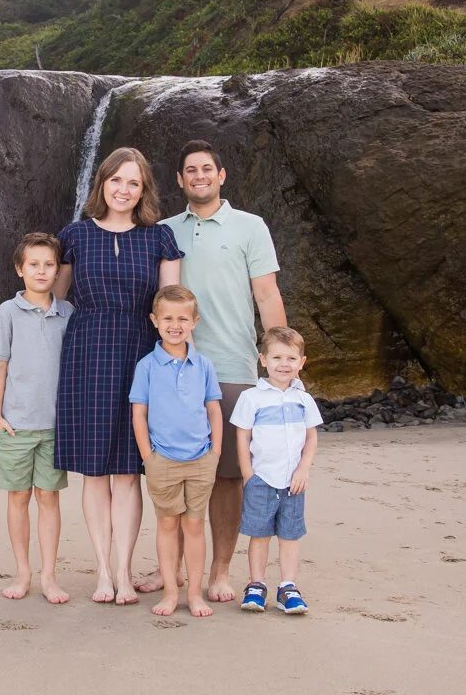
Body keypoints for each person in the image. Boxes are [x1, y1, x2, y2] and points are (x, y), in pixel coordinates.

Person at [143, 139, 286, 602]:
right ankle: (178, 569)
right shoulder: (164, 230)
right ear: (180, 181)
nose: (199, 176)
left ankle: (220, 571)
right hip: (172, 371)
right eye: (190, 170)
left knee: (225, 476)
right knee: (174, 468)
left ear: (221, 176)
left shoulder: (251, 227)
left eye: (208, 168)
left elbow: (266, 295)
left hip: (231, 366)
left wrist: (279, 361)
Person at [54, 147, 183, 605]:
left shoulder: (160, 238)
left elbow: (171, 305)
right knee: (95, 472)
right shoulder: (74, 236)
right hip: (86, 353)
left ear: (143, 189)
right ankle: (103, 574)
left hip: (140, 353)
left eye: (134, 182)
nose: (124, 190)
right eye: (116, 180)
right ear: (102, 184)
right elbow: (55, 299)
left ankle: (126, 574)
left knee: (129, 471)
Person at [0, 232, 73, 604]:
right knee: (18, 497)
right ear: (20, 269)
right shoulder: (7, 312)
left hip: (54, 427)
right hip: (15, 425)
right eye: (33, 264)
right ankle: (22, 571)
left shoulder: (67, 313)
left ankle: (49, 575)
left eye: (49, 265)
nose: (41, 270)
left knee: (49, 499)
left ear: (58, 270)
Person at [129, 285, 222, 617]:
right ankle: (170, 592)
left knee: (195, 527)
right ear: (155, 321)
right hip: (162, 461)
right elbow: (139, 413)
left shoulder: (204, 366)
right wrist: (148, 457)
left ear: (194, 322)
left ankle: (194, 594)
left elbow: (213, 410)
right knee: (167, 526)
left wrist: (215, 452)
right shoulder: (147, 367)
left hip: (200, 459)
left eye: (183, 318)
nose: (175, 324)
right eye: (168, 318)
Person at [231, 326, 322, 615]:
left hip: (293, 481)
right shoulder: (252, 398)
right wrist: (248, 475)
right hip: (262, 478)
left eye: (291, 359)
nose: (284, 364)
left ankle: (288, 587)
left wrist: (304, 469)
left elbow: (311, 438)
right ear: (263, 360)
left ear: (301, 363)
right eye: (277, 358)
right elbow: (242, 437)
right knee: (258, 535)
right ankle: (256, 585)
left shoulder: (303, 399)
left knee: (289, 534)